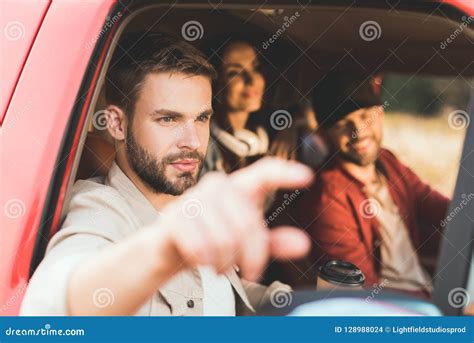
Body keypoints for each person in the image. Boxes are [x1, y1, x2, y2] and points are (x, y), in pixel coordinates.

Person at [20, 32, 314, 316]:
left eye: (201, 118)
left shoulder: (192, 203)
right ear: (117, 124)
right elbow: (51, 306)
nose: (193, 141)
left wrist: (303, 306)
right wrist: (165, 250)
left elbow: (215, 296)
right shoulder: (101, 209)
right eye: (168, 119)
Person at [293, 70, 449, 297]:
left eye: (366, 116)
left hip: (427, 290)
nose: (359, 133)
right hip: (397, 311)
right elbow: (365, 294)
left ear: (381, 114)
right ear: (325, 134)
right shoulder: (327, 197)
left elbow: (439, 207)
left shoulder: (387, 161)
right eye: (343, 123)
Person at [202, 36, 269, 173]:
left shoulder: (271, 135)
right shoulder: (204, 150)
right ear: (215, 85)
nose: (251, 80)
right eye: (235, 72)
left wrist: (292, 128)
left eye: (256, 68)